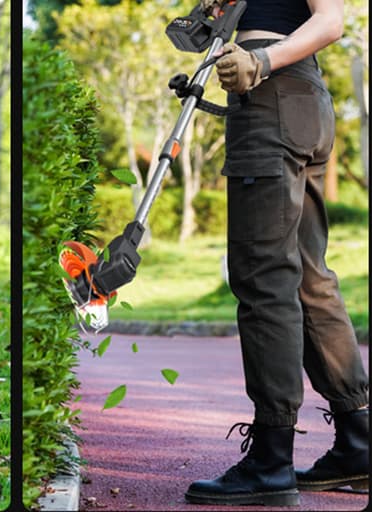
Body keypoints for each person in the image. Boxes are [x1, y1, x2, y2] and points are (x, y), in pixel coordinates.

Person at [183, 0, 370, 506]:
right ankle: (359, 440)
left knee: (264, 278)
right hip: (296, 99)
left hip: (274, 94)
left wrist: (261, 61)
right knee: (310, 280)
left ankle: (271, 459)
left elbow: (331, 21)